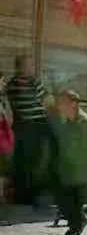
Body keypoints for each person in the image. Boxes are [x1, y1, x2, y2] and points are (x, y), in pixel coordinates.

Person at [50, 90, 87, 235]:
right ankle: (79, 221)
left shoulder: (86, 123)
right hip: (65, 169)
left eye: (62, 102)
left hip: (79, 171)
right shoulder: (66, 122)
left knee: (74, 204)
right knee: (63, 202)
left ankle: (73, 232)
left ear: (73, 103)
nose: (59, 105)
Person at [3, 55, 53, 206]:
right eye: (28, 65)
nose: (31, 68)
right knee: (31, 162)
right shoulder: (30, 83)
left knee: (25, 161)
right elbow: (48, 101)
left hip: (25, 127)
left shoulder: (12, 84)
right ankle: (27, 195)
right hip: (31, 127)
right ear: (20, 67)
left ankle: (23, 194)